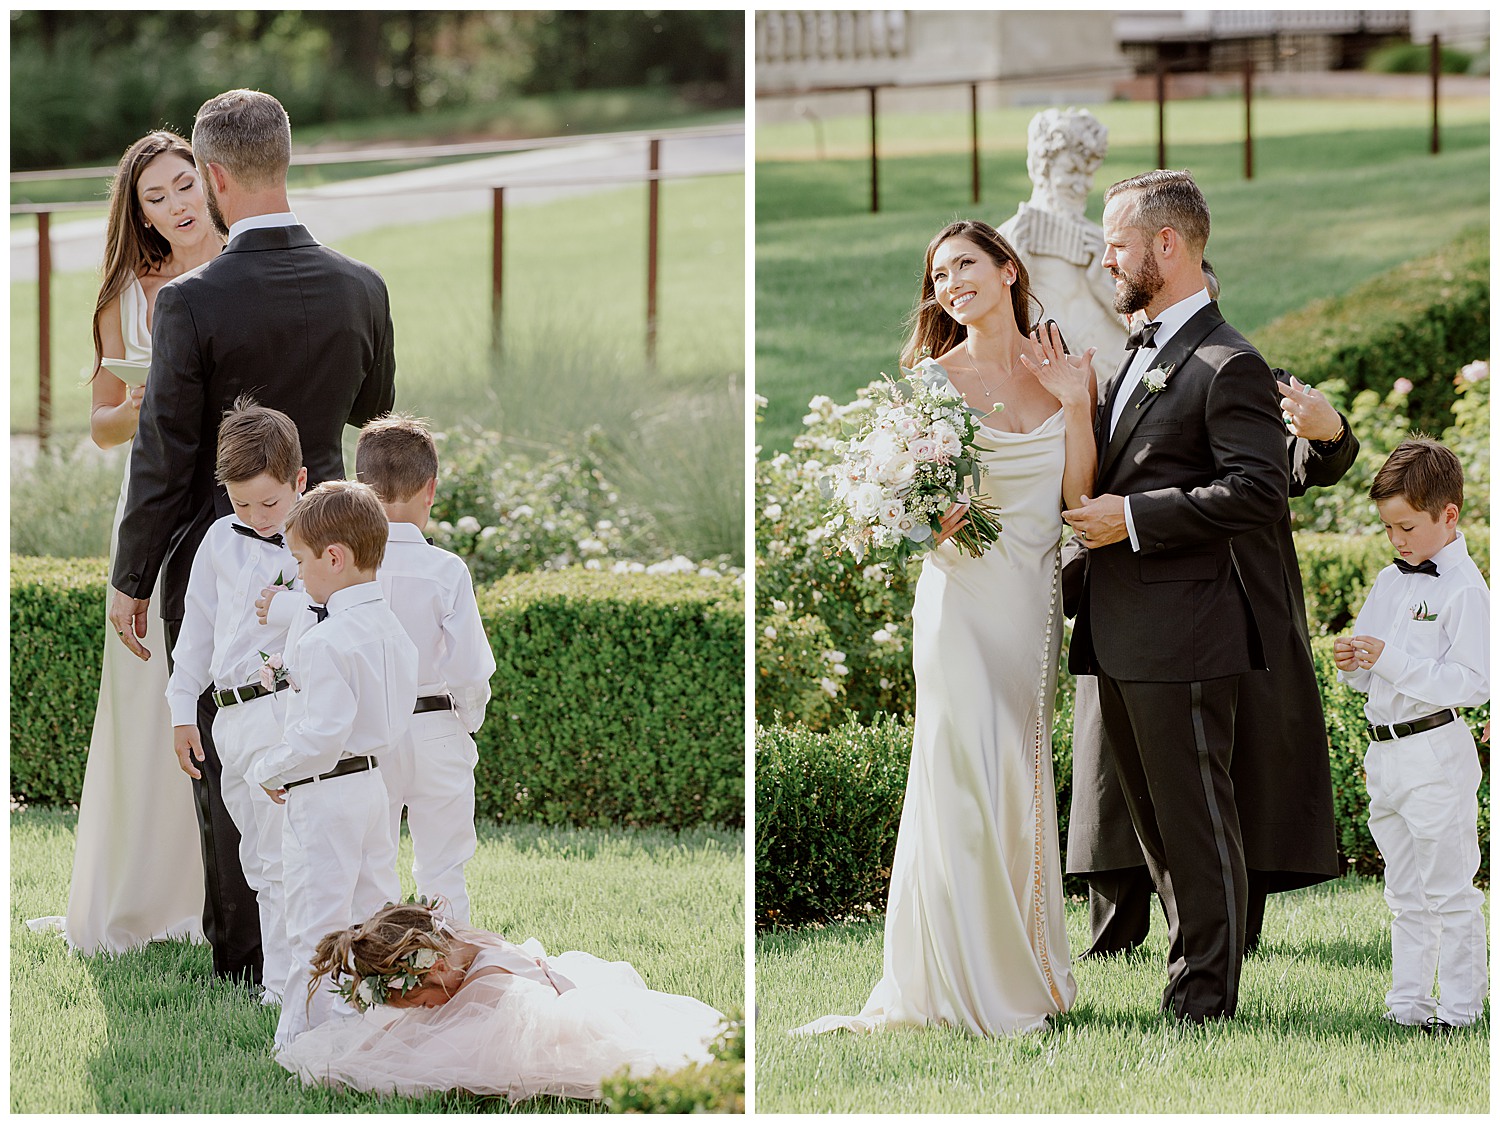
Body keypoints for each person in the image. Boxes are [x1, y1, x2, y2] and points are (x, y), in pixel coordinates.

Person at [106, 89, 397, 990]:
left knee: (229, 747)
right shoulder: (362, 284)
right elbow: (372, 406)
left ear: (218, 177)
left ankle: (247, 957)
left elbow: (166, 453)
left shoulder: (191, 300)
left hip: (216, 551)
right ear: (286, 159)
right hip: (332, 555)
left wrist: (133, 574)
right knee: (324, 738)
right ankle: (338, 930)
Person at [794, 220, 1096, 1037]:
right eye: (939, 274)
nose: (951, 282)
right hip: (960, 601)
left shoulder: (1059, 362)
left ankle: (1025, 967)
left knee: (1022, 774)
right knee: (964, 775)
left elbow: (1078, 493)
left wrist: (1074, 404)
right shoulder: (932, 381)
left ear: (1006, 269)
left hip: (1032, 605)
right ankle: (962, 984)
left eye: (966, 264)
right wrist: (925, 525)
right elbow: (894, 502)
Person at [1067, 261, 1356, 958]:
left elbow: (1277, 474)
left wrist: (1331, 434)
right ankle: (1121, 923)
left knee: (1223, 772)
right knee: (1113, 769)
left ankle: (1220, 935)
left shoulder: (1233, 368)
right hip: (1128, 600)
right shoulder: (1122, 378)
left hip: (1221, 598)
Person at [1063, 170, 1290, 1022]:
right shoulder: (1142, 350)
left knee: (1195, 821)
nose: (1106, 255)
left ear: (1166, 245)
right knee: (1158, 822)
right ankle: (1190, 959)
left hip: (1187, 632)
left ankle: (1206, 995)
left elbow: (1260, 491)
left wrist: (1136, 518)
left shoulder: (1228, 363)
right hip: (1123, 629)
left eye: (1117, 241)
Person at [27, 130, 222, 954]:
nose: (176, 205)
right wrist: (150, 402)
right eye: (156, 196)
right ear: (137, 210)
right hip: (153, 505)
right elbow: (103, 426)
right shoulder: (125, 294)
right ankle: (146, 892)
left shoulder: (243, 264)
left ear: (209, 183)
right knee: (151, 697)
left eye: (184, 185)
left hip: (242, 499)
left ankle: (232, 887)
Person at [261, 413, 495, 922]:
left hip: (367, 736)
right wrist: (465, 723)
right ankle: (445, 978)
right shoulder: (446, 570)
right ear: (430, 489)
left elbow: (311, 640)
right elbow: (471, 669)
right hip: (436, 727)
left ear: (359, 486)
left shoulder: (340, 562)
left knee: (373, 868)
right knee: (443, 868)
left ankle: (375, 978)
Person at [254, 480, 417, 1049]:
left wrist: (269, 770)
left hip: (326, 793)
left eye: (299, 561)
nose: (297, 575)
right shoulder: (392, 630)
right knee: (374, 916)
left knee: (315, 921)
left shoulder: (330, 640)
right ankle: (379, 1025)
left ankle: (304, 1044)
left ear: (334, 557)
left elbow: (320, 736)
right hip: (374, 786)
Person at [1335, 438, 1488, 1034]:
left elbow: (1475, 683)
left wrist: (1391, 659)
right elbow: (1362, 676)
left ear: (1448, 515)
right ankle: (1407, 1002)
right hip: (1387, 750)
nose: (1397, 540)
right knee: (1402, 888)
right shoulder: (1389, 580)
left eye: (1407, 526)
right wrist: (1355, 661)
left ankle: (1458, 1008)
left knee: (1448, 886)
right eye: (1388, 527)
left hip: (1435, 749)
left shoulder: (1465, 589)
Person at [276, 899, 727, 1101]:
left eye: (420, 1001)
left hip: (563, 1014)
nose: (426, 1010)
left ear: (434, 970)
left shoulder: (492, 986)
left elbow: (463, 1064)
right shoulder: (458, 948)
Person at [165, 401, 308, 1005]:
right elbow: (197, 627)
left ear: (300, 482)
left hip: (285, 713)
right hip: (230, 718)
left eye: (269, 503)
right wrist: (180, 710)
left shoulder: (319, 542)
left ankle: (287, 986)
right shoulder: (220, 539)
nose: (255, 516)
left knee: (285, 855)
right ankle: (282, 978)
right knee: (255, 857)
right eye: (241, 502)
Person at [995, 107, 1129, 378]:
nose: (1082, 185)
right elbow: (987, 332)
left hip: (1112, 376)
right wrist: (1018, 280)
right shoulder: (1004, 241)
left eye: (1088, 174)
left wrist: (1102, 284)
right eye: (1071, 171)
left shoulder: (1102, 241)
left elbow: (1143, 325)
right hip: (1047, 383)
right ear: (1040, 168)